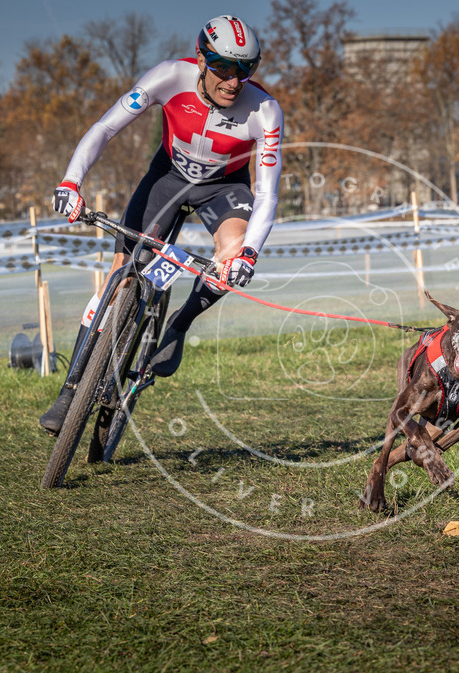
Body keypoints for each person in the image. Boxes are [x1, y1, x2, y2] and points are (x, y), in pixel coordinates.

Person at [40, 15, 284, 435]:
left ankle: (179, 324)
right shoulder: (170, 77)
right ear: (202, 60)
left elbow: (267, 195)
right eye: (224, 67)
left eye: (246, 69)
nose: (234, 80)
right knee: (118, 276)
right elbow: (105, 128)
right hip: (167, 178)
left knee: (230, 258)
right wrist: (70, 181)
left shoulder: (264, 111)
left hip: (223, 188)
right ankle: (70, 389)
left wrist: (248, 254)